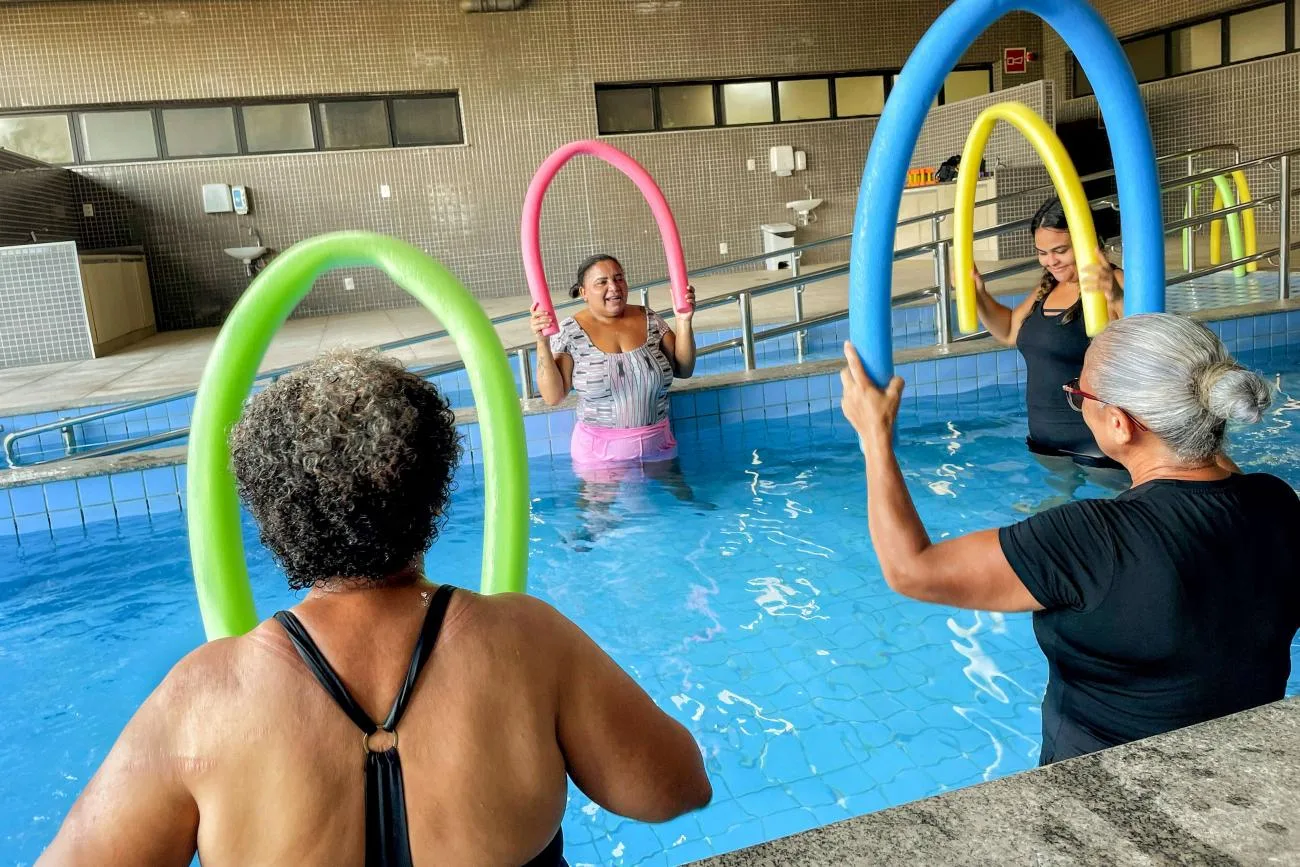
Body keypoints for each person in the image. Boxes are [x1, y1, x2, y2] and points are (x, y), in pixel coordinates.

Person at [37, 349, 711, 867]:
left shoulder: (206, 696)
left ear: (270, 513)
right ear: (435, 487)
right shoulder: (526, 642)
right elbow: (676, 787)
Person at [839, 314, 1298, 766]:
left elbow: (912, 569)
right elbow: (1215, 474)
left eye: (1079, 394)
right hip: (1244, 768)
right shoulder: (1276, 503)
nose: (1076, 401)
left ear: (1119, 423)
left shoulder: (1090, 539)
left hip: (1105, 792)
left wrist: (874, 438)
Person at [532, 255, 701, 543]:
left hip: (657, 444)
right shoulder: (571, 332)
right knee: (589, 533)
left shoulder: (648, 319)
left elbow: (684, 369)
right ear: (583, 292)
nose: (615, 287)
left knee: (689, 514)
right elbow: (553, 396)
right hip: (601, 456)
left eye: (619, 278)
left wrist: (684, 321)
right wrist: (542, 342)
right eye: (602, 282)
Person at [971, 198, 1127, 478]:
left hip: (1098, 445)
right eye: (1042, 252)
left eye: (1060, 251)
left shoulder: (1115, 283)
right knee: (1058, 503)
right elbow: (1008, 331)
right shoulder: (1048, 287)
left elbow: (1148, 338)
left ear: (1086, 242)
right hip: (1046, 442)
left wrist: (1115, 296)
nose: (1050, 261)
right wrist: (979, 294)